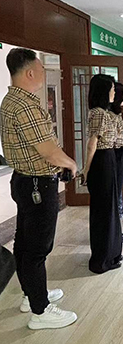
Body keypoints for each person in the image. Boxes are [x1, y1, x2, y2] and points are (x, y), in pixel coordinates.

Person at [0, 48, 77, 329]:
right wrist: (71, 164)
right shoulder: (25, 106)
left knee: (24, 242)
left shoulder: (11, 100)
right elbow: (48, 150)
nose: (44, 73)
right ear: (30, 72)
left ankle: (31, 294)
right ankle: (40, 311)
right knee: (37, 248)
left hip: (23, 181)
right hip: (37, 185)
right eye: (41, 68)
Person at [83, 74, 123, 274]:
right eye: (112, 89)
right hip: (101, 160)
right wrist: (86, 169)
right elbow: (92, 143)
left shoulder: (104, 112)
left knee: (109, 208)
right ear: (103, 91)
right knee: (104, 210)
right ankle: (102, 258)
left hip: (108, 159)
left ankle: (110, 253)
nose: (114, 92)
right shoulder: (98, 113)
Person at [110, 82, 123, 243]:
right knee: (114, 191)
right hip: (113, 154)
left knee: (117, 190)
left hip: (119, 153)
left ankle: (116, 230)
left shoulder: (117, 114)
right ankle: (113, 231)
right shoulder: (109, 115)